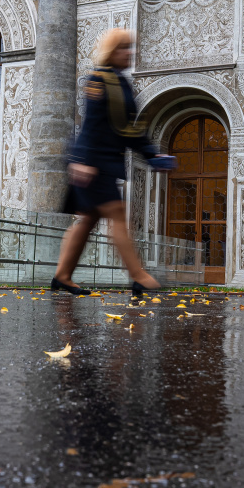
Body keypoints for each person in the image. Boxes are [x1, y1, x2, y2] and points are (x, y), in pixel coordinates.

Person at [51, 28, 175, 298]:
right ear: (111, 51)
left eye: (130, 47)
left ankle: (62, 276)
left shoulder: (120, 82)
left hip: (101, 163)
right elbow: (91, 126)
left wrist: (154, 155)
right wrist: (81, 161)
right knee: (117, 215)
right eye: (123, 48)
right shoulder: (98, 80)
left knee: (87, 221)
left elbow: (128, 129)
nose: (129, 53)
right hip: (93, 164)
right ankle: (139, 276)